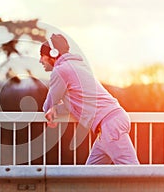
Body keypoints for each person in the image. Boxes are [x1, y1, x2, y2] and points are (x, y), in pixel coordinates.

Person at [39, 33, 139, 165]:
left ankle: (159, 186)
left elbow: (47, 105)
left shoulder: (61, 70)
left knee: (133, 172)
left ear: (53, 53)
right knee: (90, 175)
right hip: (108, 125)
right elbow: (75, 104)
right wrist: (56, 109)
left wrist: (52, 108)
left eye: (42, 56)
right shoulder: (77, 66)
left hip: (109, 125)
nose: (40, 60)